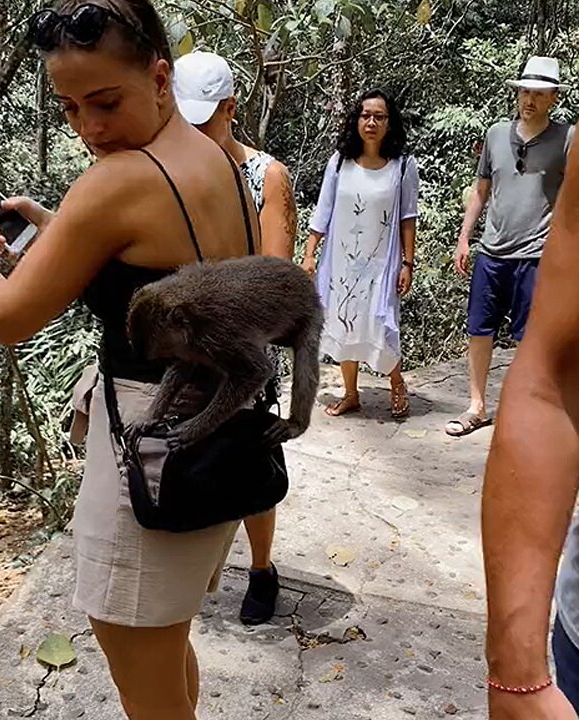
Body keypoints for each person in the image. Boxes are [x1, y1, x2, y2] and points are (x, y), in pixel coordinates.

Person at [0, 1, 261, 715]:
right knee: (167, 647)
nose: (89, 127)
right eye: (69, 107)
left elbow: (6, 317)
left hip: (151, 445)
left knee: (140, 667)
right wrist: (65, 241)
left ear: (159, 76)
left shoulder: (118, 182)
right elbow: (181, 276)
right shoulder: (218, 159)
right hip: (215, 429)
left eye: (106, 101)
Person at [172, 49, 296, 627]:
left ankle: (262, 567)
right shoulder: (165, 175)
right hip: (187, 344)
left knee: (247, 454)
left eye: (206, 119)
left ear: (231, 108)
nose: (195, 132)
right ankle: (199, 565)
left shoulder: (263, 174)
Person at [481, 119, 579, 720]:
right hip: (567, 644)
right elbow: (547, 381)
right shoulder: (498, 137)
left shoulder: (567, 140)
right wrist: (514, 667)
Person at [449, 57, 573, 437]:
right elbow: (481, 189)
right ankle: (477, 406)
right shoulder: (495, 134)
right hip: (492, 249)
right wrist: (465, 236)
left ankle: (527, 409)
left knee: (529, 336)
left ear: (553, 98)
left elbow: (574, 198)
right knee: (479, 329)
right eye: (524, 91)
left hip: (536, 253)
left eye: (538, 93)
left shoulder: (568, 138)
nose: (529, 100)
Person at [301, 89, 417, 420]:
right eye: (366, 115)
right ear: (357, 120)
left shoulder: (403, 167)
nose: (371, 122)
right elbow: (323, 211)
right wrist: (310, 254)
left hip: (381, 263)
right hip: (340, 262)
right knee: (343, 321)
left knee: (381, 324)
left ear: (389, 123)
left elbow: (408, 218)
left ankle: (397, 383)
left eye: (379, 116)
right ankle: (351, 394)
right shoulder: (339, 163)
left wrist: (407, 263)